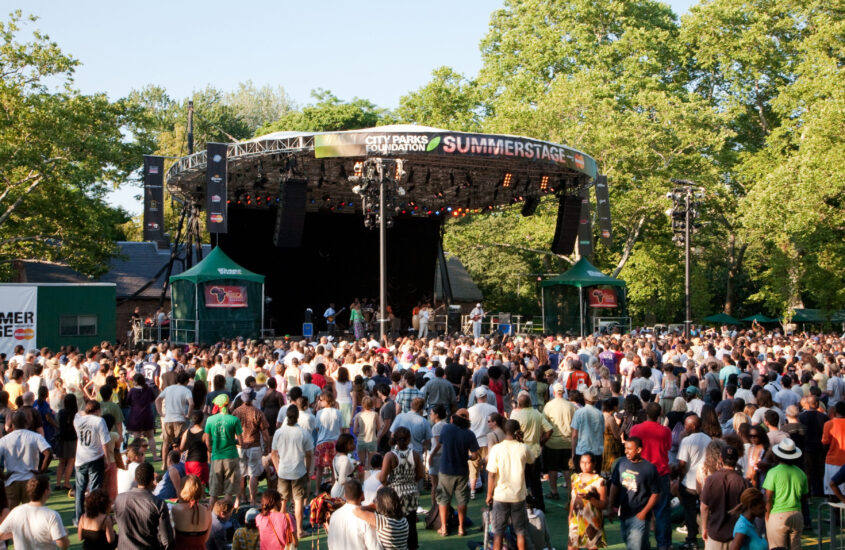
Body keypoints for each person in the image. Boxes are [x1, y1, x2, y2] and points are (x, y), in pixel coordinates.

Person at [486, 419, 535, 550]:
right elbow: (532, 460)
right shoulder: (523, 447)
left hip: (500, 495)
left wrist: (489, 494)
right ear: (518, 431)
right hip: (518, 496)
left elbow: (491, 474)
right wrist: (522, 441)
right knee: (520, 531)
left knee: (498, 532)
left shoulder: (496, 449)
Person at [628, 402, 672, 550]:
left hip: (641, 473)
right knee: (662, 510)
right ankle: (663, 544)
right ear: (660, 414)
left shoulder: (635, 429)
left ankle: (641, 543)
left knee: (640, 508)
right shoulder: (665, 431)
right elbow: (668, 447)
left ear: (646, 413)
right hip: (660, 473)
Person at [609, 437, 660, 550]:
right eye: (625, 448)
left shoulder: (649, 468)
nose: (626, 451)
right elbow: (615, 485)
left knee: (634, 546)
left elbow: (655, 494)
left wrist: (644, 512)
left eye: (629, 449)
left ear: (639, 450)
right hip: (624, 512)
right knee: (629, 539)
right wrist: (611, 505)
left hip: (640, 514)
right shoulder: (621, 463)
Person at [435, 408, 479, 536]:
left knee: (443, 499)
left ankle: (444, 528)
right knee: (462, 500)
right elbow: (475, 455)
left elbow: (441, 443)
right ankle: (461, 528)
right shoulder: (469, 434)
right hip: (461, 471)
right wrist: (468, 457)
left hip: (445, 470)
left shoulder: (446, 429)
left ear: (455, 418)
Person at [272, 404, 313, 538]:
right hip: (298, 471)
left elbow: (273, 453)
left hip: (283, 471)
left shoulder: (279, 432)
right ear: (297, 417)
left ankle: (281, 529)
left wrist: (278, 469)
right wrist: (307, 471)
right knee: (298, 501)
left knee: (283, 501)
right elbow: (309, 454)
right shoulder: (303, 432)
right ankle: (299, 530)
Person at [380, 426, 424, 550]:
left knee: (396, 525)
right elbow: (420, 474)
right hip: (412, 493)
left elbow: (383, 478)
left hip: (396, 495)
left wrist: (391, 484)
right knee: (411, 525)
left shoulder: (390, 456)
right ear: (409, 439)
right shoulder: (414, 454)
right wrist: (410, 482)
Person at [114, 461, 174, 550]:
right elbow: (166, 540)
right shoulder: (158, 503)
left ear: (135, 478)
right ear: (152, 479)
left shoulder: (120, 499)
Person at [763, 438, 808, 550]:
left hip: (778, 515)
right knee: (796, 547)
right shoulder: (801, 473)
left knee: (777, 548)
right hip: (797, 513)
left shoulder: (773, 472)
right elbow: (804, 497)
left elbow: (768, 498)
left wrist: (767, 515)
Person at [0, 411, 52, 507]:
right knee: (31, 513)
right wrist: (41, 471)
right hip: (30, 480)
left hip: (11, 480)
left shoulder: (4, 440)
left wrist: (3, 476)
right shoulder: (35, 437)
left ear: (12, 424)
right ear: (26, 422)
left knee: (10, 515)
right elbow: (48, 453)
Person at [700, 446, 748, 550]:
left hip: (715, 533)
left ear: (721, 458)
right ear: (736, 459)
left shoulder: (711, 480)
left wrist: (704, 528)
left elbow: (704, 507)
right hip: (736, 535)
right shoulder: (743, 483)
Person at [0, 476, 69, 549]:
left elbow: (1, 534)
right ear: (46, 491)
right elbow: (63, 545)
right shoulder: (52, 515)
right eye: (49, 487)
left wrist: (18, 533)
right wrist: (65, 536)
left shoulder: (16, 511)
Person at [511, 392, 552, 511]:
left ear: (519, 403)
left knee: (521, 480)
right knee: (536, 482)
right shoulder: (537, 414)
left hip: (521, 452)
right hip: (535, 452)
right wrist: (541, 442)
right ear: (529, 402)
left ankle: (523, 506)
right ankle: (540, 506)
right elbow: (549, 430)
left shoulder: (516, 416)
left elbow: (511, 432)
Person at [677, 414, 711, 549]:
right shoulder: (708, 439)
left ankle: (691, 539)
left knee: (689, 511)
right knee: (705, 509)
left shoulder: (687, 441)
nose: (684, 427)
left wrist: (681, 475)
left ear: (693, 426)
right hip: (705, 481)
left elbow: (682, 463)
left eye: (686, 425)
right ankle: (705, 536)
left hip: (689, 482)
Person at [204, 393, 243, 511]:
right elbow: (241, 441)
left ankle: (210, 516)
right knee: (229, 491)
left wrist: (211, 448)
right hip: (231, 456)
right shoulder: (234, 420)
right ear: (229, 404)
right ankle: (226, 515)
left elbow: (207, 441)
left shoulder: (210, 420)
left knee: (214, 493)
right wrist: (233, 441)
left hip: (216, 457)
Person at [74, 400, 111, 524]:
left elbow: (79, 413)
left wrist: (86, 410)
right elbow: (104, 442)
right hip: (95, 457)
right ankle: (93, 517)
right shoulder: (99, 421)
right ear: (97, 410)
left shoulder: (78, 420)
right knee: (95, 490)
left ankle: (79, 518)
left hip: (80, 459)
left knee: (80, 490)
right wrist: (107, 458)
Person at [232, 389, 270, 507]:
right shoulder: (257, 412)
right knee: (253, 474)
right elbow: (265, 433)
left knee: (241, 474)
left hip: (239, 446)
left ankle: (241, 499)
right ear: (253, 398)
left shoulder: (236, 412)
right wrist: (267, 446)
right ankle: (253, 500)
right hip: (254, 445)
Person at [543, 383, 576, 500]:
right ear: (564, 392)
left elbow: (545, 424)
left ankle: (554, 491)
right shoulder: (571, 406)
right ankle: (570, 493)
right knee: (567, 469)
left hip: (552, 443)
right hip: (568, 442)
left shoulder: (548, 406)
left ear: (554, 392)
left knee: (552, 469)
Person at [327, 480, 382, 550]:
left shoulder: (334, 516)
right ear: (362, 495)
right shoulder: (365, 517)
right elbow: (374, 547)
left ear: (345, 496)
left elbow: (331, 545)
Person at [568, 453, 607, 550]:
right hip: (576, 519)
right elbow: (573, 498)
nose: (584, 465)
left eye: (587, 462)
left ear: (594, 464)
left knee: (592, 547)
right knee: (572, 546)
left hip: (592, 520)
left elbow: (604, 504)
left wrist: (590, 498)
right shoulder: (575, 478)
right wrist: (570, 515)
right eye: (582, 462)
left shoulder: (599, 481)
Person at [155, 370, 193, 466]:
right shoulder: (186, 390)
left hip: (168, 419)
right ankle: (181, 463)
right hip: (180, 419)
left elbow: (157, 400)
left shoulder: (168, 389)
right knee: (182, 443)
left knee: (165, 443)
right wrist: (188, 415)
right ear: (186, 381)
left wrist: (160, 412)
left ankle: (164, 464)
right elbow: (191, 403)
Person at [468, 388, 498, 500]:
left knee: (473, 468)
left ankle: (472, 491)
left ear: (476, 397)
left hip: (474, 442)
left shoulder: (470, 410)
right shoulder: (492, 408)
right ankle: (490, 491)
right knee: (489, 468)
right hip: (489, 442)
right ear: (485, 396)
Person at [170, 474, 211, 549]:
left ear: (182, 490)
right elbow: (205, 539)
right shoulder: (207, 511)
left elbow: (171, 537)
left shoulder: (175, 510)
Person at [571, 387, 604, 472]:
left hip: (582, 450)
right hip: (596, 451)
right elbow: (602, 433)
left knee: (580, 481)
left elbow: (574, 435)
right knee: (595, 481)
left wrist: (573, 452)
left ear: (584, 398)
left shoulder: (579, 412)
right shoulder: (600, 414)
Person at [125, 373, 157, 459]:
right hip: (147, 415)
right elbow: (153, 400)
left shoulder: (132, 391)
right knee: (151, 437)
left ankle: (137, 457)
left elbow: (128, 401)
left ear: (135, 381)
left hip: (135, 416)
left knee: (136, 439)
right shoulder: (149, 389)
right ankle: (155, 456)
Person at [55, 393, 78, 493]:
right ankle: (66, 482)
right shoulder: (76, 414)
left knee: (61, 462)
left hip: (61, 438)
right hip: (72, 438)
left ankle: (57, 483)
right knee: (70, 461)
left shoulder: (61, 412)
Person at [180, 410, 209, 487]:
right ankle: (200, 498)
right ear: (202, 420)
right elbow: (209, 448)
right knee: (199, 484)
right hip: (200, 462)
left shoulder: (187, 432)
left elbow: (181, 448)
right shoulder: (204, 434)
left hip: (189, 462)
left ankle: (198, 497)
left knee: (190, 483)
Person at [331, 433, 357, 499]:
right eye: (351, 443)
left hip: (336, 490)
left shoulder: (336, 457)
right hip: (341, 494)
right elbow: (342, 480)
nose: (353, 445)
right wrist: (353, 479)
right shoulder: (345, 459)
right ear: (345, 445)